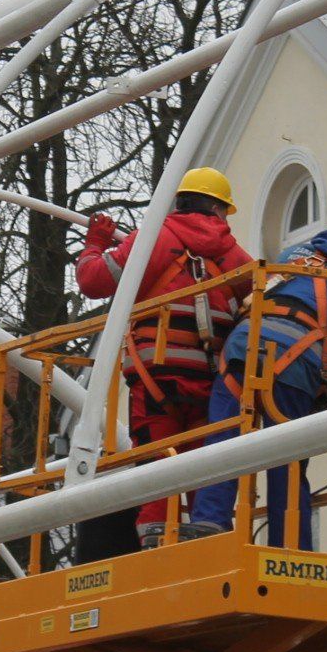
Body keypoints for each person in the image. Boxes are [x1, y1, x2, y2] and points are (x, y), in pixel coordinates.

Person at [75, 167, 254, 546]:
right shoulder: (232, 253)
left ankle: (155, 542)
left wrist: (94, 244)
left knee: (156, 465)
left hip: (156, 379)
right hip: (209, 382)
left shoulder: (154, 239)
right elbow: (259, 298)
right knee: (200, 467)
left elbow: (94, 281)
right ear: (218, 209)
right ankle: (208, 541)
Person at [187, 209, 327, 551]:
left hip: (242, 347)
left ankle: (209, 522)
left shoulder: (290, 255)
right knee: (286, 456)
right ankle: (289, 546)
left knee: (223, 436)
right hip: (296, 359)